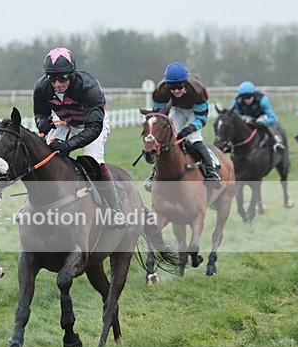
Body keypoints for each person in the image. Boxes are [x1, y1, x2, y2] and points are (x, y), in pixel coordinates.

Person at [33, 47, 127, 227]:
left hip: (92, 125)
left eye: (62, 78)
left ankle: (115, 209)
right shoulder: (42, 87)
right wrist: (42, 122)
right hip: (65, 123)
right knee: (45, 158)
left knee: (94, 160)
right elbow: (40, 113)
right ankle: (34, 205)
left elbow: (93, 129)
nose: (57, 84)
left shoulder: (89, 87)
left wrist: (68, 146)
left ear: (72, 74)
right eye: (52, 78)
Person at [146, 61, 221, 189]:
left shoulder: (198, 91)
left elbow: (201, 118)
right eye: (172, 87)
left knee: (194, 139)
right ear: (168, 85)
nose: (176, 91)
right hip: (176, 109)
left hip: (194, 111)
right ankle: (154, 174)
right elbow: (158, 115)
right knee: (166, 139)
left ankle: (211, 172)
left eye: (180, 87)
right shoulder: (161, 91)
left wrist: (189, 129)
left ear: (185, 83)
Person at [230, 81, 285, 153]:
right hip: (248, 116)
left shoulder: (262, 100)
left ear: (253, 95)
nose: (246, 100)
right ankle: (230, 144)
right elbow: (232, 116)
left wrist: (263, 123)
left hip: (262, 116)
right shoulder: (237, 101)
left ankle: (276, 143)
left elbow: (273, 118)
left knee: (269, 125)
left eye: (248, 97)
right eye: (243, 97)